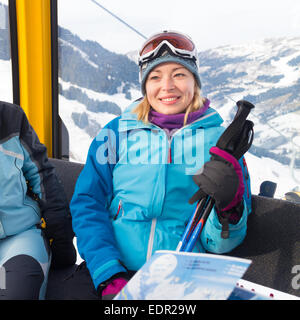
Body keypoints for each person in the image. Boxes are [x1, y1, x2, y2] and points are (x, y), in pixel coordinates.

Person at [69, 31, 252, 300]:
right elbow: (88, 204)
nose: (167, 86)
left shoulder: (222, 146)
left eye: (179, 74)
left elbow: (222, 246)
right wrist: (108, 274)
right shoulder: (116, 134)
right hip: (112, 272)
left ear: (195, 81)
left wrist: (230, 209)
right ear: (145, 86)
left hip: (183, 283)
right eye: (155, 77)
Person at [0, 101, 76, 300]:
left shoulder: (10, 118)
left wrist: (62, 243)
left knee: (18, 292)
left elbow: (42, 175)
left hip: (19, 238)